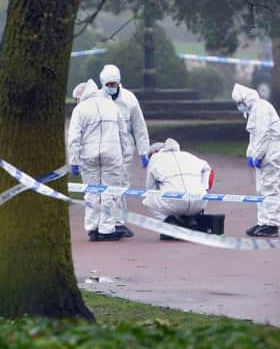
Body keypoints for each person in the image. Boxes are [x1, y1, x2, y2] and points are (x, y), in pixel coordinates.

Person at [68, 79, 131, 242]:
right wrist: (125, 156)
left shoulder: (80, 109)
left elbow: (74, 137)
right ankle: (107, 229)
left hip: (89, 155)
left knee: (91, 191)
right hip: (112, 153)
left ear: (80, 96)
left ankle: (92, 228)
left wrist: (74, 160)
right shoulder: (112, 106)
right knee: (110, 191)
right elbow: (124, 134)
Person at [98, 64, 150, 237]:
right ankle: (110, 221)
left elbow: (139, 126)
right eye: (108, 85)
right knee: (106, 187)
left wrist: (144, 151)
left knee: (121, 185)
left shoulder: (129, 99)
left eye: (114, 84)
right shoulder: (97, 98)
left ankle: (118, 221)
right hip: (105, 148)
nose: (112, 88)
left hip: (125, 149)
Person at [231, 83, 280, 237]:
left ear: (244, 100)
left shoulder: (261, 108)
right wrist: (251, 154)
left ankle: (272, 224)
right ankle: (263, 222)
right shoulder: (254, 110)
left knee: (270, 186)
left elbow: (263, 135)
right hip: (265, 149)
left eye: (239, 103)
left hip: (272, 148)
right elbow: (254, 137)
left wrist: (257, 155)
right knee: (261, 188)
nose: (239, 107)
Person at [143, 138, 214, 238]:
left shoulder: (155, 158)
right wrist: (204, 188)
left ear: (154, 152)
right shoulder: (188, 155)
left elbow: (149, 189)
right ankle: (191, 220)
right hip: (199, 203)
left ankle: (169, 224)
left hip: (175, 204)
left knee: (148, 200)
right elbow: (208, 169)